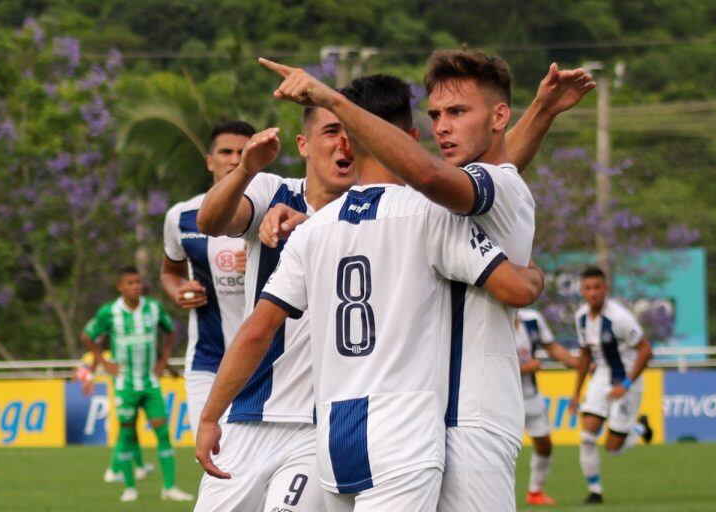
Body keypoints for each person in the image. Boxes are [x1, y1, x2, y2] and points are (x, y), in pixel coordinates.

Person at [253, 49, 592, 512]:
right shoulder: (466, 190)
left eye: (456, 112)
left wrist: (331, 100)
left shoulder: (477, 186)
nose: (442, 126)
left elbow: (432, 172)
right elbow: (484, 164)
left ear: (496, 115)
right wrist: (544, 111)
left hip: (470, 415)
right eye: (436, 115)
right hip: (427, 420)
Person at [190, 104, 356, 511]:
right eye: (332, 131)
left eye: (353, 131)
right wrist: (245, 169)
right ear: (303, 144)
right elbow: (210, 222)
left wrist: (310, 227)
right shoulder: (270, 191)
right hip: (247, 416)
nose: (344, 143)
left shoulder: (373, 213)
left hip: (320, 427)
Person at [161, 120, 252, 437]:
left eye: (244, 151)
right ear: (210, 161)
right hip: (208, 362)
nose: (235, 159)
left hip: (267, 361)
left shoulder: (278, 209)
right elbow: (170, 272)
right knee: (214, 457)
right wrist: (180, 292)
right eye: (226, 152)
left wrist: (264, 262)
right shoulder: (182, 216)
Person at [81, 265, 193, 502]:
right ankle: (130, 487)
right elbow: (87, 336)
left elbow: (170, 331)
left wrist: (164, 361)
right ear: (120, 287)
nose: (136, 286)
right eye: (130, 283)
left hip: (150, 382)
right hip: (125, 384)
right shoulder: (109, 312)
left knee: (163, 432)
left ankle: (170, 487)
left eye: (138, 282)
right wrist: (104, 363)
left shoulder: (153, 308)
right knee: (128, 434)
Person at [570, 267, 654, 504]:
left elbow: (646, 351)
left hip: (627, 379)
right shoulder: (581, 318)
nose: (593, 292)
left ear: (606, 289)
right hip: (601, 377)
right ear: (582, 290)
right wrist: (575, 394)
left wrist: (626, 384)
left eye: (597, 287)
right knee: (586, 437)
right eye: (588, 288)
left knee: (613, 448)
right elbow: (585, 354)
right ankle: (595, 492)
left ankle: (639, 429)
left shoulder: (620, 318)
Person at [515, 308, 578, 505]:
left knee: (544, 444)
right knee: (502, 450)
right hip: (502, 399)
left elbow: (552, 348)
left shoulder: (532, 319)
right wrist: (526, 367)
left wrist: (578, 363)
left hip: (531, 395)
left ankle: (535, 492)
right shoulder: (491, 317)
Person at [74, 347, 156, 483]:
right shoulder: (109, 354)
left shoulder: (94, 355)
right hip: (118, 398)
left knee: (131, 432)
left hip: (118, 397)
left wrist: (89, 377)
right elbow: (80, 372)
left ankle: (140, 466)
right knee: (125, 433)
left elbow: (78, 372)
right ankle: (113, 470)